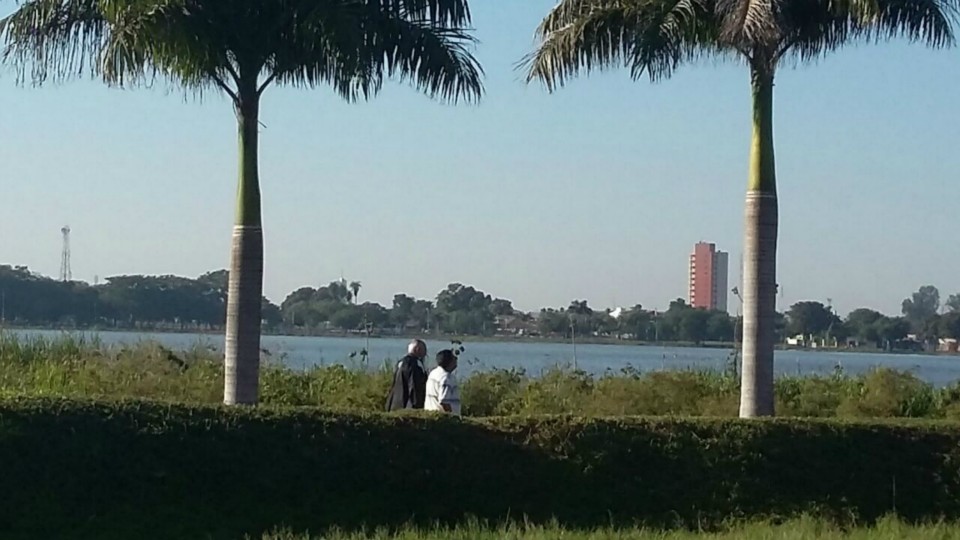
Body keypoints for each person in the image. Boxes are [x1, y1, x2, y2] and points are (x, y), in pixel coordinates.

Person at [385, 339, 428, 411]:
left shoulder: (400, 363)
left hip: (395, 404)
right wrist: (418, 406)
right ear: (417, 349)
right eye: (424, 351)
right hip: (407, 406)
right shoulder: (415, 364)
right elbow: (415, 386)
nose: (425, 354)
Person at [424, 349, 461, 416]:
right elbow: (444, 402)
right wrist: (452, 417)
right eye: (454, 357)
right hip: (443, 418)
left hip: (431, 414)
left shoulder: (433, 373)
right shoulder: (446, 378)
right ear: (449, 361)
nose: (456, 359)